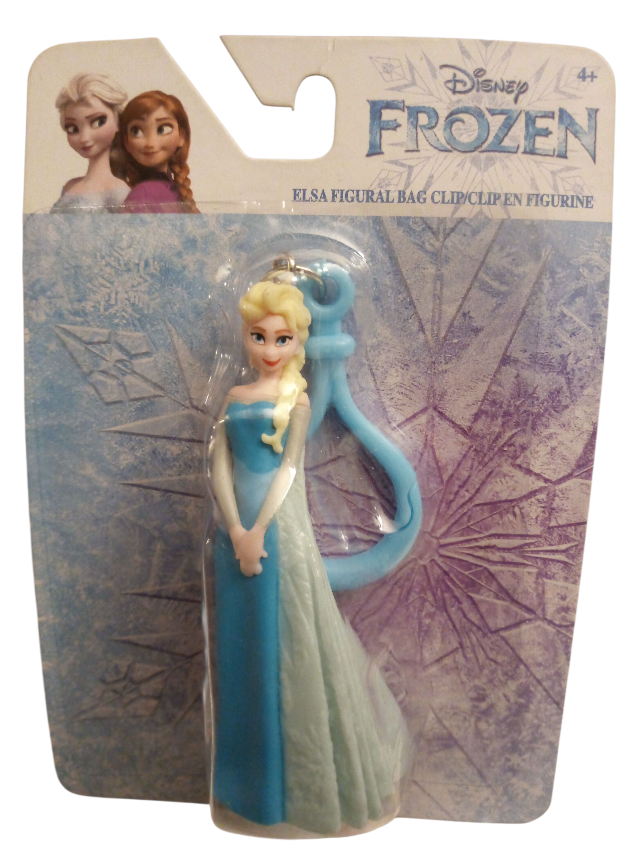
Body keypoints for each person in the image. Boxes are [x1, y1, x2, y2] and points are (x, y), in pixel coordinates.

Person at [211, 276, 407, 836]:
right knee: (242, 649)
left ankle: (294, 787)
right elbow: (220, 467)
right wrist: (235, 528)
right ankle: (248, 789)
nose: (270, 349)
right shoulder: (234, 400)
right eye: (259, 337)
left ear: (299, 342)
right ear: (246, 337)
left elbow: (288, 471)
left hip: (278, 528)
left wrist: (258, 530)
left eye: (283, 339)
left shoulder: (294, 401)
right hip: (236, 535)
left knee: (287, 638)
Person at [52, 73, 129, 212]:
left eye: (98, 122)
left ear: (118, 121)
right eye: (73, 128)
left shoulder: (117, 191)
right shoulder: (70, 186)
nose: (84, 138)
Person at [118, 91, 198, 213]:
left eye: (162, 129)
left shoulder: (174, 190)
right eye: (136, 131)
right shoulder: (143, 194)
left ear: (181, 136)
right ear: (126, 142)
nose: (150, 143)